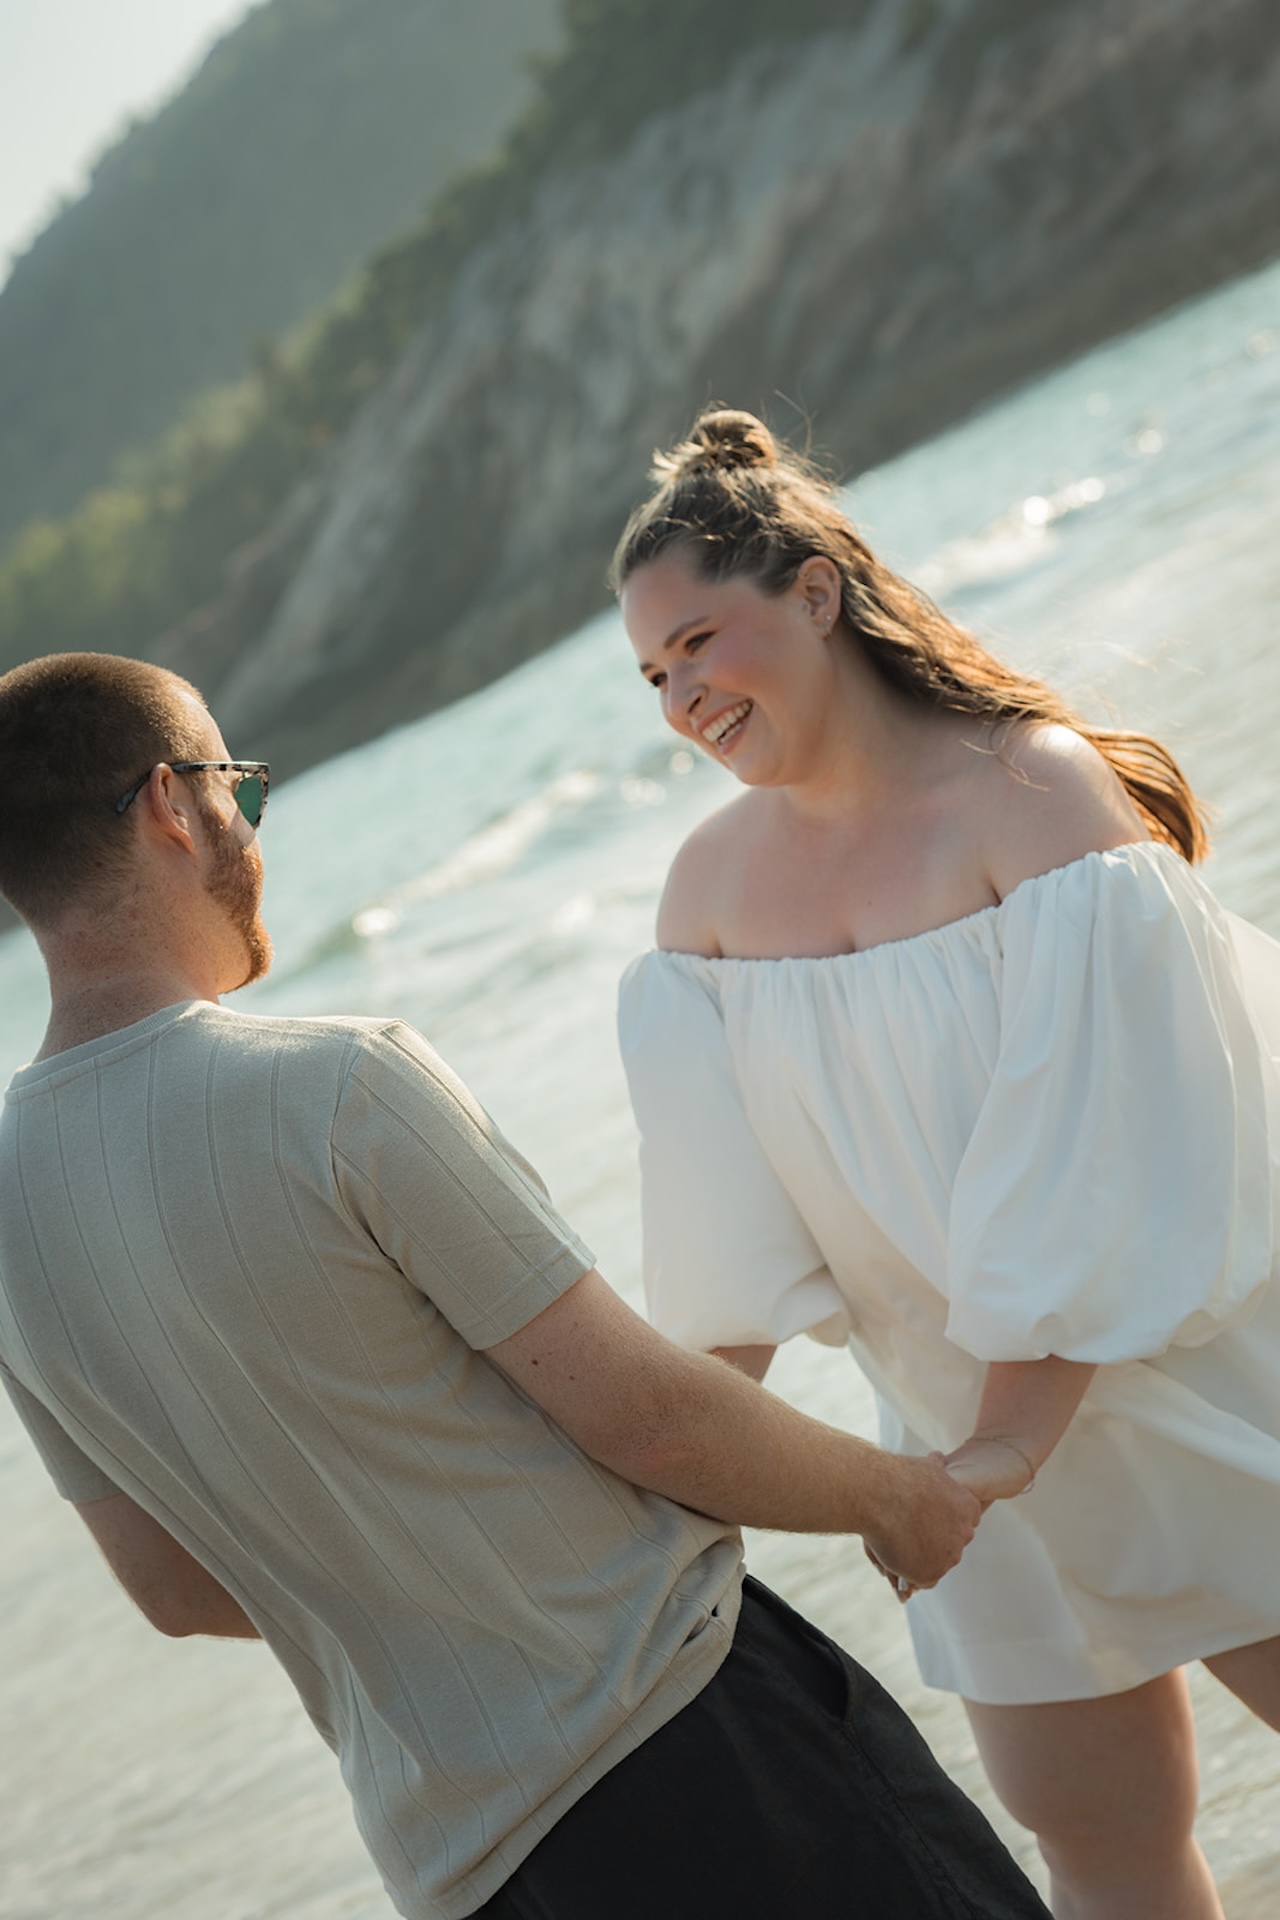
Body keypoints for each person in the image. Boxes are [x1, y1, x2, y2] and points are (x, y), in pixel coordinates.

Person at [0, 650, 1050, 1920]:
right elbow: (644, 1416)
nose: (247, 827)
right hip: (700, 1757)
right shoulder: (338, 1088)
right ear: (175, 801)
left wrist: (410, 1582)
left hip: (464, 1875)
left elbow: (173, 1590)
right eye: (244, 790)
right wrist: (898, 1498)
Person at [613, 409, 1280, 1920]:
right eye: (656, 675)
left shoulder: (1026, 792)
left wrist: (1005, 1448)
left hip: (1179, 1378)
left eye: (702, 640)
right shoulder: (703, 902)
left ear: (816, 594)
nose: (683, 695)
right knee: (1101, 1847)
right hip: (952, 1461)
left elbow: (1104, 1160)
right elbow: (728, 1256)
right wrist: (663, 1487)